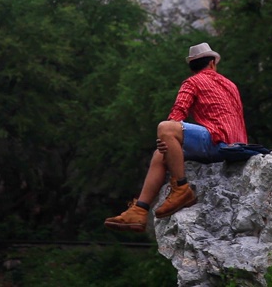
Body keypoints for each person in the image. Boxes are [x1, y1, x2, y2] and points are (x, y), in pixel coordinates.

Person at [104, 42, 248, 232]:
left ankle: (181, 188)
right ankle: (139, 211)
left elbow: (177, 115)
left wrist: (166, 135)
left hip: (217, 142)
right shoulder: (231, 85)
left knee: (166, 128)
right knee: (160, 154)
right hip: (238, 145)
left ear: (192, 66)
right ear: (212, 63)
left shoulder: (193, 82)